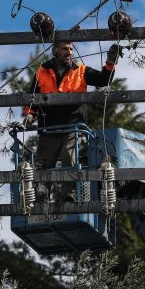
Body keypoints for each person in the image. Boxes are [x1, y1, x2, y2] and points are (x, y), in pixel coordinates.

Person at [23, 40, 122, 202]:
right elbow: (32, 98)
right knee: (43, 162)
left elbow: (104, 80)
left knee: (70, 158)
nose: (69, 52)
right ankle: (40, 195)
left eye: (71, 49)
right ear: (55, 51)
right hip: (49, 127)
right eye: (64, 49)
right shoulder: (41, 72)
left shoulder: (81, 71)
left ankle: (70, 194)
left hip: (73, 126)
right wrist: (30, 114)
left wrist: (110, 62)